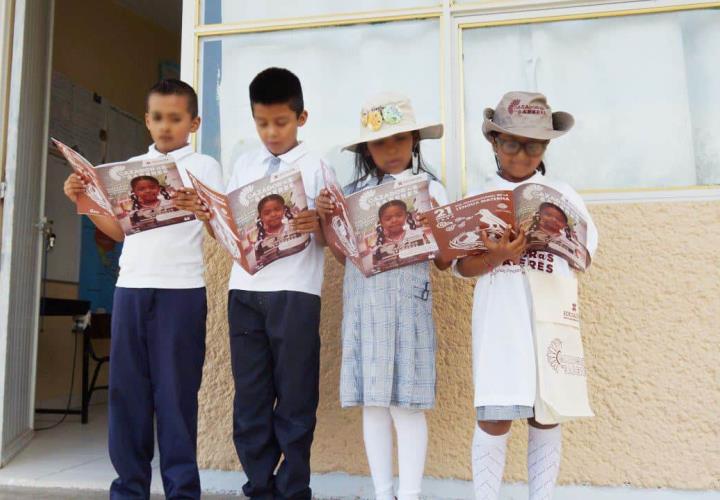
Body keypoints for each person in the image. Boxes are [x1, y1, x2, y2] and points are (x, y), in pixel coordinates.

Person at [63, 79, 223, 499]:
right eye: (157, 117)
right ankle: (128, 490)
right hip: (131, 289)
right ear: (147, 119)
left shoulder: (205, 166)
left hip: (181, 291)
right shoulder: (131, 168)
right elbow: (119, 232)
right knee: (127, 394)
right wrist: (84, 201)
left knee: (175, 396)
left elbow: (219, 229)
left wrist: (201, 209)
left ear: (194, 121)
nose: (165, 126)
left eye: (175, 118)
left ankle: (182, 491)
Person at [455, 91, 599, 500]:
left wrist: (554, 240)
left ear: (546, 146)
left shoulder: (563, 194)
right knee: (495, 416)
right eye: (510, 142)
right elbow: (460, 268)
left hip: (550, 312)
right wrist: (494, 256)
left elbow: (585, 254)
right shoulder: (476, 196)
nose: (521, 153)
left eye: (532, 144)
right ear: (494, 142)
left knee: (547, 415)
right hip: (500, 316)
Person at [317, 92, 450, 500]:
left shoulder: (432, 189)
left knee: (407, 404)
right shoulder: (352, 195)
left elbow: (445, 260)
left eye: (399, 139)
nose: (390, 150)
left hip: (410, 306)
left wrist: (434, 227)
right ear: (366, 149)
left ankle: (408, 494)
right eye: (379, 142)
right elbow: (343, 256)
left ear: (414, 140)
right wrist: (326, 218)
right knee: (374, 403)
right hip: (366, 306)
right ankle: (382, 491)